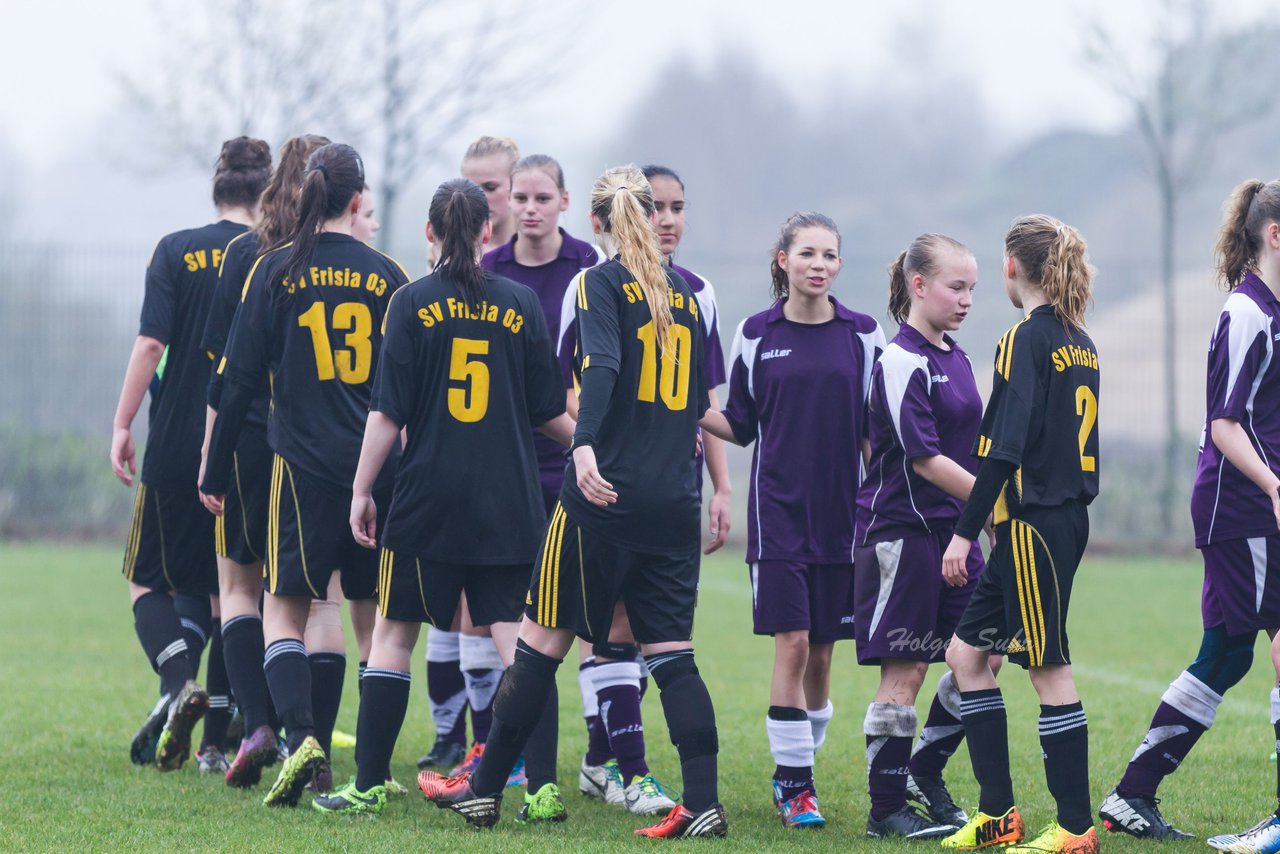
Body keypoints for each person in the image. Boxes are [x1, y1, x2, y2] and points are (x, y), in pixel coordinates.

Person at [421, 165, 727, 839]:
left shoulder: (596, 281)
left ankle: (483, 786)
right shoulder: (687, 294)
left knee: (536, 647)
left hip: (603, 499)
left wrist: (582, 449)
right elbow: (714, 409)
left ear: (594, 223)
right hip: (675, 502)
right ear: (649, 217)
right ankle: (702, 802)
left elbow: (603, 367)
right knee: (673, 656)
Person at [312, 177, 575, 816]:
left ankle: (369, 782)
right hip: (508, 502)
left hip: (426, 500)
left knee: (395, 636)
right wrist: (594, 449)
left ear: (430, 233)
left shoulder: (410, 302)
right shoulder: (518, 304)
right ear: (489, 231)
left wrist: (360, 490)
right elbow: (550, 412)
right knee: (525, 646)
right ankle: (540, 789)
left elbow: (386, 416)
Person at [199, 142, 410, 808]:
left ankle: (300, 737)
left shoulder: (274, 270)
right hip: (376, 476)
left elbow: (233, 385)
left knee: (285, 609)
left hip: (299, 469)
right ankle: (367, 774)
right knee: (374, 621)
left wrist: (213, 468)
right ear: (358, 201)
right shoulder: (390, 275)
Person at [698, 212, 884, 829]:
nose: (819, 265)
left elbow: (871, 434)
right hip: (777, 519)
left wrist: (880, 509)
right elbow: (741, 425)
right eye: (807, 253)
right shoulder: (756, 333)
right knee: (794, 644)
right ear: (783, 259)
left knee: (824, 659)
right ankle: (796, 788)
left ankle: (796, 759)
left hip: (843, 523)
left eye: (829, 255)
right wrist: (687, 407)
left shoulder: (863, 334)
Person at [1109, 180, 1280, 852]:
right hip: (1242, 505)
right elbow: (1225, 425)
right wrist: (1274, 485)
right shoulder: (1250, 314)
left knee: (1227, 654)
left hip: (1245, 504)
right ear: (1275, 235)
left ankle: (1132, 794)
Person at [938, 214, 1100, 853]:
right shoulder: (1079, 339)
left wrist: (962, 533)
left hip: (1033, 524)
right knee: (965, 657)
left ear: (1011, 267)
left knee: (1047, 668)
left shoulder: (1023, 340)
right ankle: (998, 815)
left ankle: (1076, 828)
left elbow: (1004, 450)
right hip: (1054, 520)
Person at [111, 136, 270, 772]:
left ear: (217, 187)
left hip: (179, 439)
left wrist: (123, 422)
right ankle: (217, 739)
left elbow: (152, 345)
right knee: (233, 587)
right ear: (266, 194)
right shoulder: (273, 255)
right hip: (251, 444)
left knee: (149, 577)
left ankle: (179, 683)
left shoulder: (175, 249)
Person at [853, 234, 993, 839]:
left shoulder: (955, 356)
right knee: (905, 671)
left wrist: (981, 511)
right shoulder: (899, 359)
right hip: (903, 536)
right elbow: (925, 459)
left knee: (983, 651)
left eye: (972, 289)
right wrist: (992, 504)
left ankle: (924, 770)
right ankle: (886, 808)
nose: (966, 300)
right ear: (918, 285)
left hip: (956, 532)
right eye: (955, 287)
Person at [201, 133, 329, 788]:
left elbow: (220, 375)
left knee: (239, 589)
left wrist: (208, 457)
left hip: (248, 439)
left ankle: (258, 725)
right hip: (309, 445)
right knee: (307, 599)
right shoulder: (333, 261)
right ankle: (306, 732)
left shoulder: (248, 256)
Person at [419, 135, 523, 772]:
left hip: (533, 464)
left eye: (489, 186)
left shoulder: (569, 269)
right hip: (464, 468)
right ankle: (455, 736)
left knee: (513, 620)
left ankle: (510, 749)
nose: (478, 196)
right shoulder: (442, 278)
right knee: (455, 611)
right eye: (470, 183)